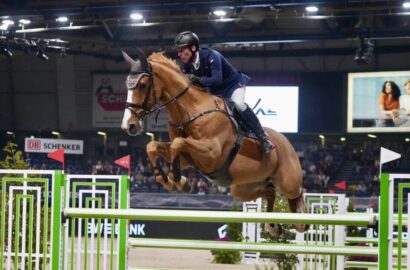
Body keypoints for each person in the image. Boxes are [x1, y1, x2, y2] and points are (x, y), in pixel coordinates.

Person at [174, 31, 274, 153]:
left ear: (193, 48)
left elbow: (217, 80)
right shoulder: (188, 65)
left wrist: (197, 79)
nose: (179, 54)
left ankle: (263, 136)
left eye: (181, 50)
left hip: (233, 85)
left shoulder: (212, 56)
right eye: (178, 51)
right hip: (216, 91)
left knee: (238, 104)